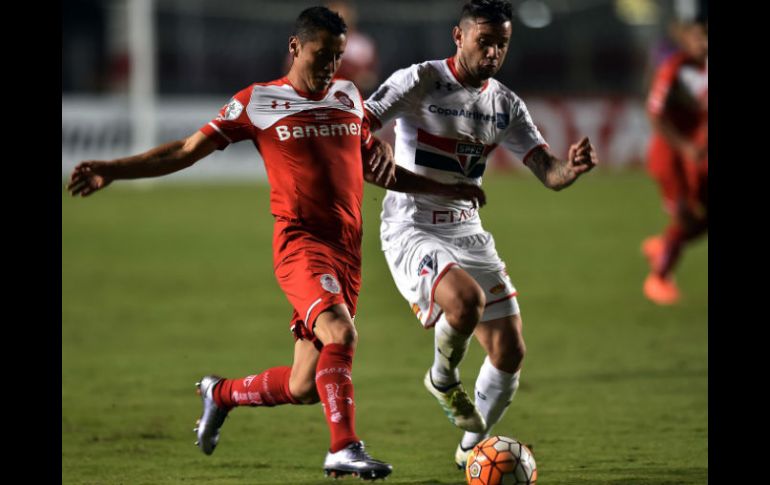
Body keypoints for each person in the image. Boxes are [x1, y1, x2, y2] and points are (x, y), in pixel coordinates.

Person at [67, 6, 485, 480]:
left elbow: (375, 168)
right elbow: (185, 150)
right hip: (300, 245)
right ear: (294, 47)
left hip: (347, 252)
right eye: (321, 54)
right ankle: (343, 447)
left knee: (307, 384)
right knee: (341, 335)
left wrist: (448, 188)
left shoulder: (348, 96)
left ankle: (219, 393)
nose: (330, 66)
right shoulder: (257, 102)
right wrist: (112, 169)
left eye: (337, 56)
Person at [364, 0, 597, 469]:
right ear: (459, 36)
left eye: (502, 44)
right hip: (413, 224)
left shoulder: (505, 104)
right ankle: (442, 378)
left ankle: (473, 451)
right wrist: (373, 149)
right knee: (464, 301)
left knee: (510, 348)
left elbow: (547, 170)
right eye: (484, 42)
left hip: (467, 230)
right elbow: (360, 124)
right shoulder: (420, 80)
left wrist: (569, 169)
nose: (493, 53)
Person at [642, 15, 708, 305]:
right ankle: (658, 279)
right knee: (684, 215)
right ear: (685, 38)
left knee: (698, 221)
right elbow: (655, 114)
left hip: (695, 159)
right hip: (670, 157)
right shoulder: (674, 69)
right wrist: (684, 147)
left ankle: (665, 245)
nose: (704, 43)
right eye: (698, 37)